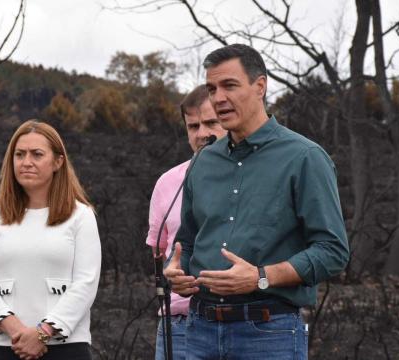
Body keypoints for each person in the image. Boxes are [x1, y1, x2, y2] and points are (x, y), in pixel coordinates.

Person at [164, 44, 349, 359]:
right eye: (212, 89)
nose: (218, 97)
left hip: (268, 333)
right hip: (199, 331)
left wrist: (261, 276)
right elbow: (188, 243)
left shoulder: (304, 158)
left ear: (260, 86)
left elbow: (333, 251)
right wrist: (177, 271)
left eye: (230, 85)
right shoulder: (202, 163)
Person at [0, 120, 101, 360]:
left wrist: (42, 333)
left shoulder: (81, 216)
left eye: (37, 154)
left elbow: (86, 284)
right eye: (19, 155)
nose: (26, 162)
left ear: (58, 162)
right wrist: (19, 333)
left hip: (65, 347)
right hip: (2, 346)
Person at [147, 85, 226, 360]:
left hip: (238, 324)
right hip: (178, 327)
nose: (202, 133)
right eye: (193, 126)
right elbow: (159, 252)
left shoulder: (252, 175)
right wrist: (173, 271)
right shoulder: (168, 183)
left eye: (211, 122)